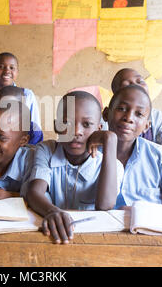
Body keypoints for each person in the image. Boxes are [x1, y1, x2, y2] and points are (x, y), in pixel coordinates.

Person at [25, 91, 122, 244]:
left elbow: (104, 205)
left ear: (99, 128)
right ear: (57, 126)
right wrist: (52, 212)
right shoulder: (46, 150)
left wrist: (110, 139)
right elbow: (34, 192)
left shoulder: (113, 165)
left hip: (93, 241)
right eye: (67, 123)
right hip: (50, 237)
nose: (76, 131)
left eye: (86, 124)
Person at [90, 84, 162, 210]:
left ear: (147, 126)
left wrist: (141, 212)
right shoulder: (89, 153)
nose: (129, 118)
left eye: (139, 114)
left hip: (148, 228)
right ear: (106, 114)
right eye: (121, 108)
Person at [109, 68, 162, 167]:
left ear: (147, 125)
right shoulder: (109, 119)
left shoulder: (155, 117)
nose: (137, 86)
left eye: (140, 81)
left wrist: (146, 158)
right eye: (127, 85)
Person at [0, 52, 42, 136]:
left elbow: (35, 128)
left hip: (22, 147)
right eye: (1, 67)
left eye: (12, 67)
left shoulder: (27, 95)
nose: (7, 71)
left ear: (17, 71)